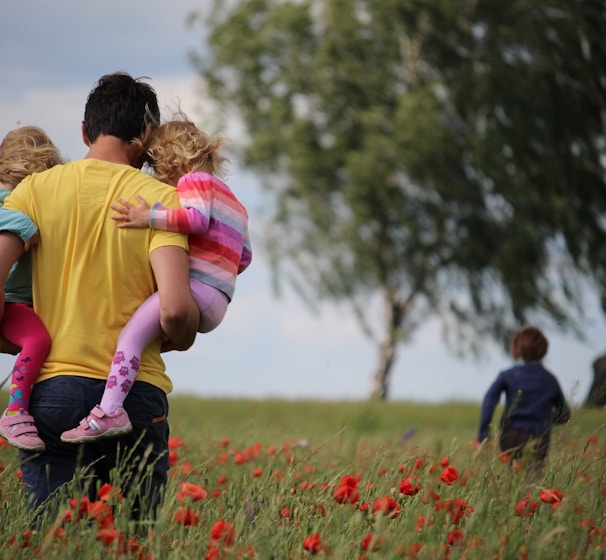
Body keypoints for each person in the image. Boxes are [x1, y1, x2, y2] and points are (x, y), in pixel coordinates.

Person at [0, 72, 199, 519]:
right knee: (130, 542)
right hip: (134, 397)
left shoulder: (33, 190)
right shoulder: (162, 202)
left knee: (52, 539)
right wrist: (181, 335)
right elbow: (175, 308)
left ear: (86, 132)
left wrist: (10, 337)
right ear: (146, 136)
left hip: (51, 391)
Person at [61, 114, 252, 443]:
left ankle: (109, 411)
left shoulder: (194, 182)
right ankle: (119, 394)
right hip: (219, 299)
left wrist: (147, 216)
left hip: (196, 290)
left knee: (130, 338)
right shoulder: (235, 202)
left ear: (172, 158)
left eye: (155, 165)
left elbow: (195, 220)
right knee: (145, 341)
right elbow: (244, 257)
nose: (156, 175)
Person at [0, 126, 63, 451]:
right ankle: (15, 410)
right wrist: (26, 226)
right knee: (37, 340)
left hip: (24, 302)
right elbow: (5, 215)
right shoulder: (8, 198)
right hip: (10, 301)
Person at [477, 325, 571, 468]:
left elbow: (489, 399)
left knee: (511, 479)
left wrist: (484, 433)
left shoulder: (508, 375)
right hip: (539, 436)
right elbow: (564, 414)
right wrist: (545, 420)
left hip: (510, 435)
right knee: (533, 481)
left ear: (516, 349)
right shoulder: (550, 379)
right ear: (543, 350)